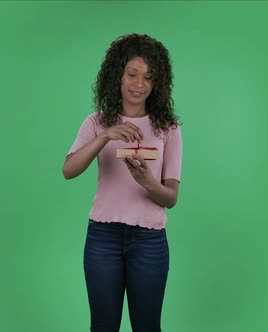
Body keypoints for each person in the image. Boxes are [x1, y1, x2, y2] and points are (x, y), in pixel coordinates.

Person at [62, 33, 182, 332]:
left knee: (147, 327)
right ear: (117, 74)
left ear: (157, 84)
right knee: (103, 327)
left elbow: (170, 197)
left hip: (149, 242)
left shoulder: (168, 128)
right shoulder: (96, 121)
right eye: (132, 74)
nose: (139, 84)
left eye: (148, 77)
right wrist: (106, 135)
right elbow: (69, 169)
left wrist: (146, 180)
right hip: (103, 239)